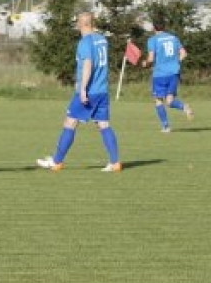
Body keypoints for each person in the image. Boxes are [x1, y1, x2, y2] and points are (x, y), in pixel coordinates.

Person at [36, 11, 122, 173]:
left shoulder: (84, 42)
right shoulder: (102, 40)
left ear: (80, 24)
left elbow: (88, 65)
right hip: (102, 90)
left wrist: (83, 89)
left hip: (90, 91)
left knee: (70, 123)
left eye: (77, 22)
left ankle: (56, 162)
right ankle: (115, 162)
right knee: (103, 124)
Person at [143, 19, 194, 133]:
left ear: (154, 28)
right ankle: (184, 107)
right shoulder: (173, 38)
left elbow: (151, 59)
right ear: (164, 27)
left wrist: (145, 64)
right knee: (170, 101)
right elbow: (184, 53)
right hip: (174, 73)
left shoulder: (153, 40)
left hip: (160, 74)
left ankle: (166, 126)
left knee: (158, 100)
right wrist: (176, 62)